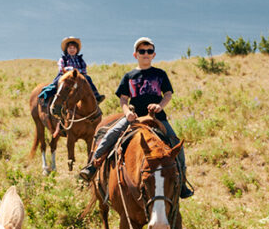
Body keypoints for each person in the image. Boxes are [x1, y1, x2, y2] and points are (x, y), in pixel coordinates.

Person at [78, 37, 192, 198]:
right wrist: (127, 113)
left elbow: (167, 94)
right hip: (134, 116)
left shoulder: (160, 74)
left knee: (175, 143)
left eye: (149, 51)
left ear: (154, 54)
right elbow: (123, 99)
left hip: (157, 117)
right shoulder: (129, 76)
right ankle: (92, 166)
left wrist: (160, 105)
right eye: (142, 51)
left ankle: (182, 183)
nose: (146, 54)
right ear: (135, 54)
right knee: (110, 135)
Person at [38, 36, 104, 106]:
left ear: (77, 50)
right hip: (65, 75)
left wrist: (76, 71)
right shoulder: (63, 59)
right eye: (70, 48)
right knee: (56, 83)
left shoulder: (80, 59)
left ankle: (96, 95)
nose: (72, 50)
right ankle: (46, 97)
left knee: (88, 79)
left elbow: (84, 69)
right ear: (67, 49)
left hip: (78, 76)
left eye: (74, 48)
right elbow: (61, 69)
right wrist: (71, 70)